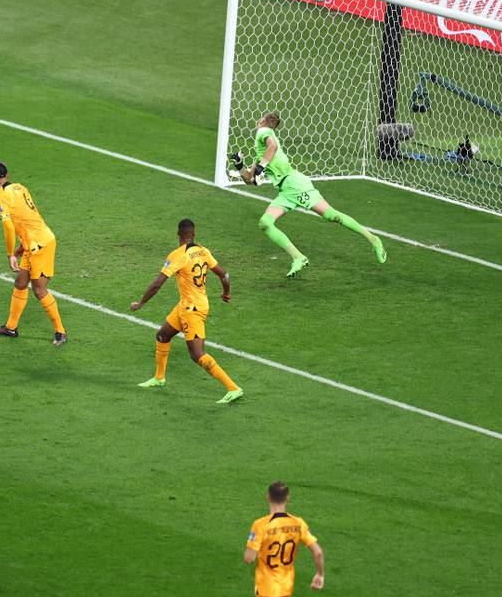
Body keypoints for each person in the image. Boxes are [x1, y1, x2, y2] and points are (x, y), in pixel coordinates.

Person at [231, 113, 386, 277]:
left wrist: (262, 166)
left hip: (295, 184)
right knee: (265, 223)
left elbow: (273, 146)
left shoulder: (263, 132)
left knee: (332, 215)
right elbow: (250, 180)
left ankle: (374, 239)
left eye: (261, 118)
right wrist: (239, 165)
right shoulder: (260, 154)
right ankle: (298, 257)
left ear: (263, 121)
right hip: (286, 191)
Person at [130, 219, 242, 404]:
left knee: (197, 354)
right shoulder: (204, 251)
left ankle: (233, 388)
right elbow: (224, 274)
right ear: (194, 234)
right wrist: (226, 293)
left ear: (178, 234)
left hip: (193, 309)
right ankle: (159, 378)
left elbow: (158, 283)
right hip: (187, 304)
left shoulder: (177, 255)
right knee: (162, 336)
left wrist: (141, 303)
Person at [0, 161, 67, 346]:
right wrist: (21, 249)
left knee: (39, 290)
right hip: (35, 240)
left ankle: (60, 331)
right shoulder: (20, 187)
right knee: (21, 283)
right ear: (7, 174)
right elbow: (28, 219)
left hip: (40, 244)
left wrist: (10, 255)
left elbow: (8, 226)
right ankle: (11, 327)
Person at [244, 482, 325, 597]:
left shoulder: (260, 525)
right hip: (286, 586)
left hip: (268, 588)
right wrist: (320, 574)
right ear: (288, 498)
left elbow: (249, 558)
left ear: (268, 497)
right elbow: (318, 552)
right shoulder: (298, 523)